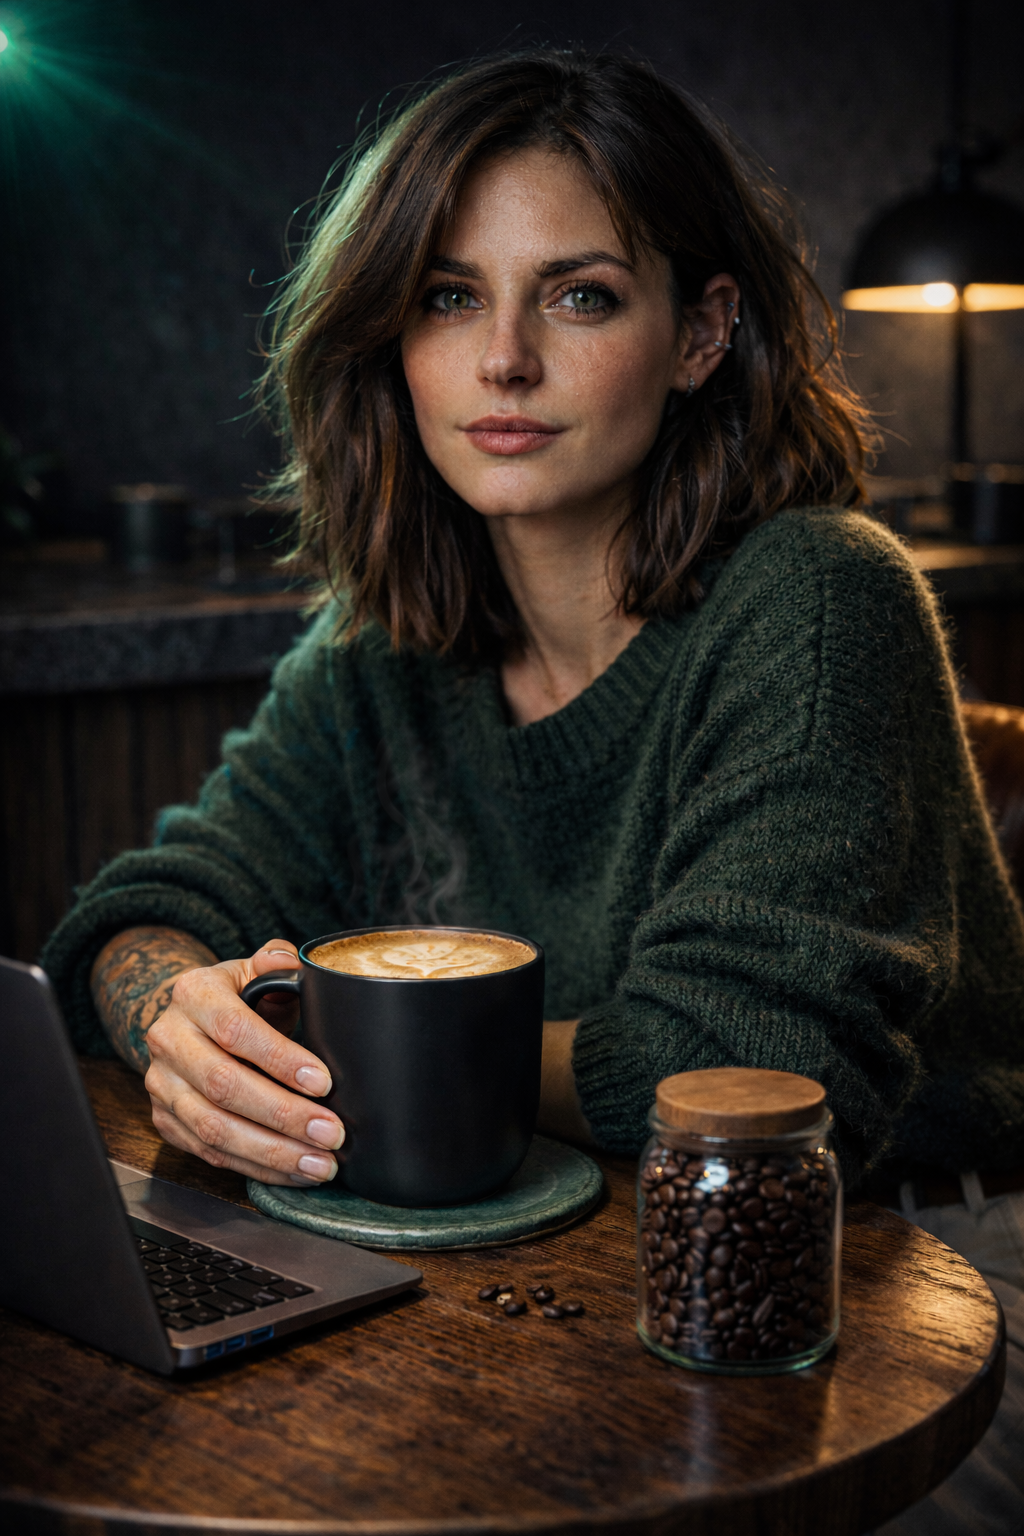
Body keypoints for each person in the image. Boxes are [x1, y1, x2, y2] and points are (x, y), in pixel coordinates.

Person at [39, 48, 1024, 1529]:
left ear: (701, 333)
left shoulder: (822, 600)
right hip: (555, 1274)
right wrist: (172, 1011)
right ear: (392, 342)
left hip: (916, 1301)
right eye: (447, 296)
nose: (502, 360)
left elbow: (743, 1064)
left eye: (579, 294)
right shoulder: (379, 648)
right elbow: (158, 901)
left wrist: (350, 1057)